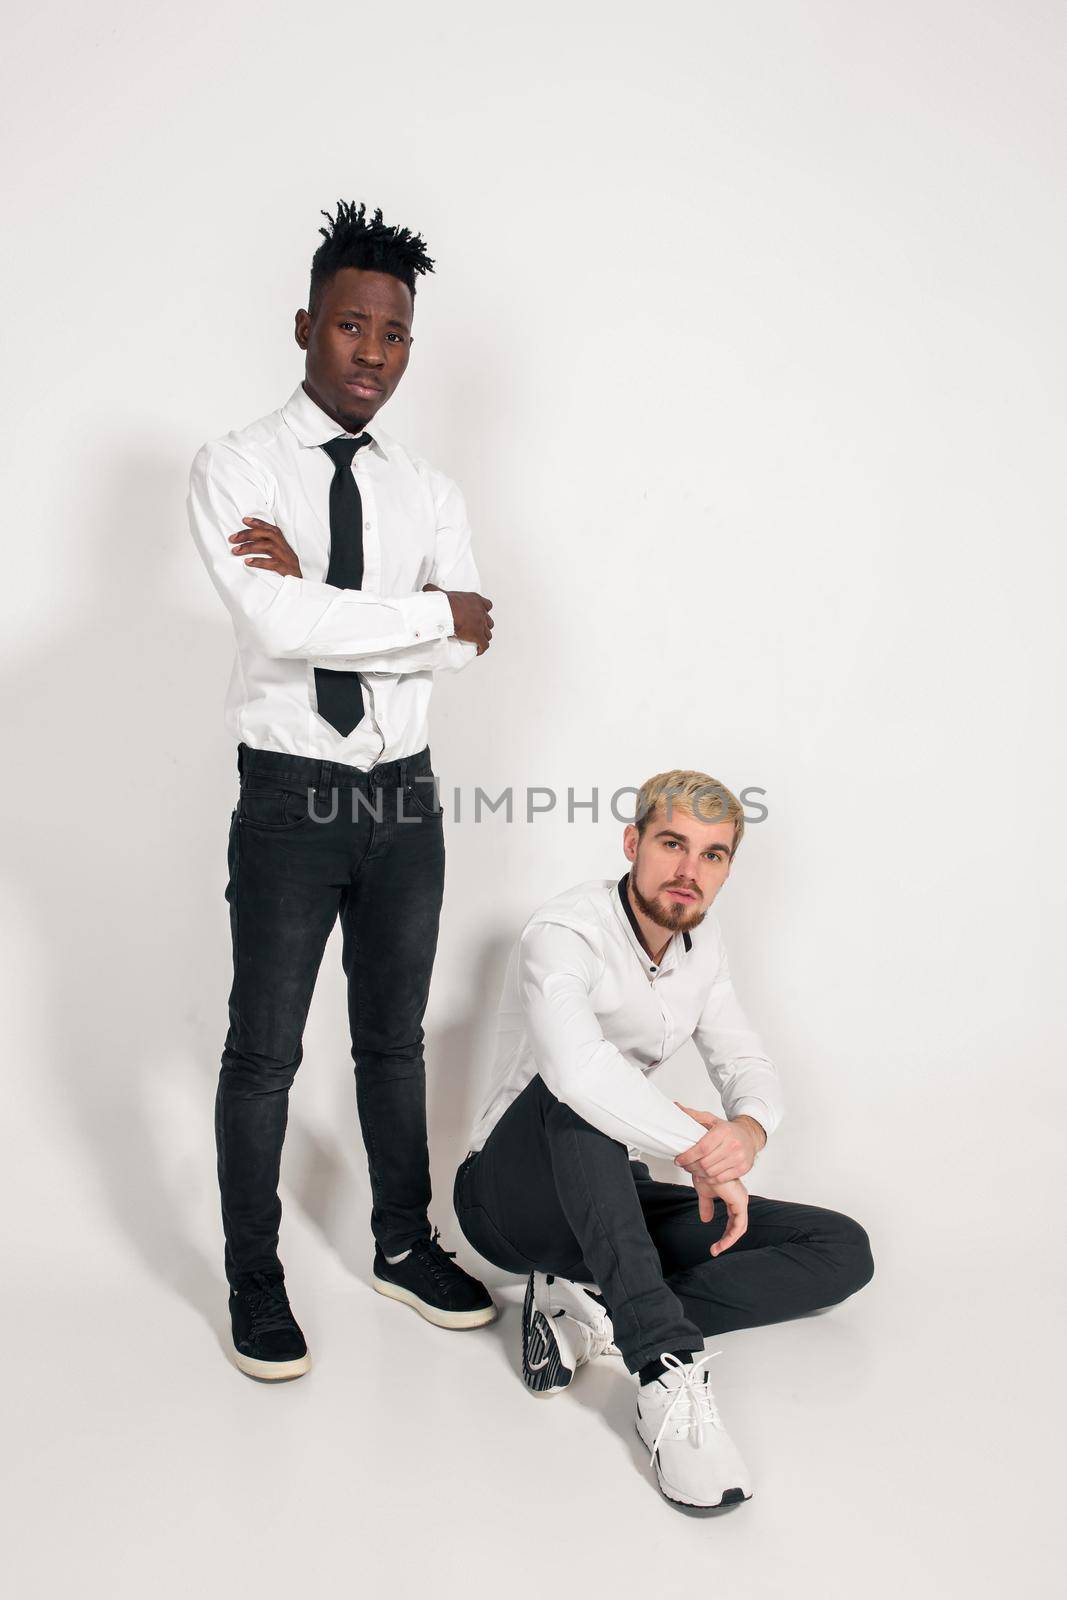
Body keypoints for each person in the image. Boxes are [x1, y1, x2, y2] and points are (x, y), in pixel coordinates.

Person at [188, 199, 498, 1383]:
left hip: (404, 801)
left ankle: (400, 1243)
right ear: (306, 324)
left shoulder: (430, 488)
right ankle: (251, 1277)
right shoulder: (235, 466)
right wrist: (425, 617)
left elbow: (475, 642)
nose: (373, 353)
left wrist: (344, 610)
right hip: (289, 801)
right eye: (352, 326)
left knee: (393, 1044)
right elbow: (275, 618)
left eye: (396, 335)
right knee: (263, 1051)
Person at [453, 769, 874, 1508]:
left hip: (608, 1198)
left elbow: (745, 1062)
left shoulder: (701, 949)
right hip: (509, 1199)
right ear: (632, 842)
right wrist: (693, 1146)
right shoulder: (566, 932)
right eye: (672, 843)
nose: (688, 870)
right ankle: (662, 1369)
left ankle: (598, 1308)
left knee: (840, 1248)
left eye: (711, 855)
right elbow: (578, 1074)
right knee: (578, 1091)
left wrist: (743, 1133)